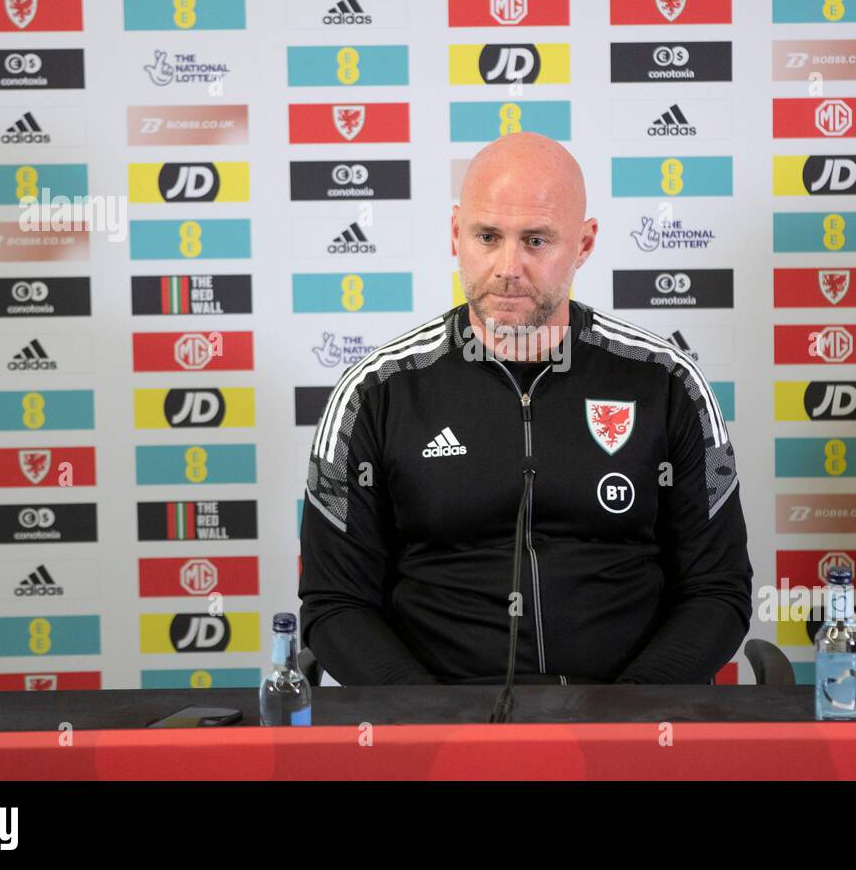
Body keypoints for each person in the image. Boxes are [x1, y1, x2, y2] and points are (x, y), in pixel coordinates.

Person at [298, 132, 752, 685]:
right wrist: (432, 726)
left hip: (626, 723)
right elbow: (335, 603)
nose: (508, 266)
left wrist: (628, 719)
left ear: (584, 244)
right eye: (487, 236)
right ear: (455, 233)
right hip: (439, 731)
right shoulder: (373, 393)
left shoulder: (668, 383)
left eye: (536, 241)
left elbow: (717, 590)